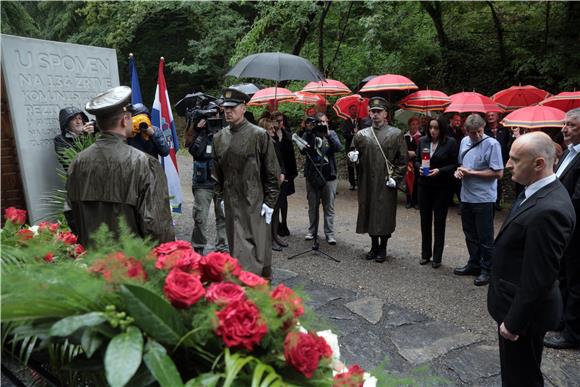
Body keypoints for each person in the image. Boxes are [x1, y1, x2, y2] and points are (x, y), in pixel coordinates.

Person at [487, 132, 575, 386]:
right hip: (515, 305)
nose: (507, 164)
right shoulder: (535, 190)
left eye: (515, 159)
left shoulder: (549, 210)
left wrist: (514, 323)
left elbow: (540, 277)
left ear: (539, 163)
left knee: (521, 378)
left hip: (524, 317)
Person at [66, 86, 175, 247]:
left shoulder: (78, 161)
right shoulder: (145, 163)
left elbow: (71, 212)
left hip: (94, 262)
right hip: (133, 264)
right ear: (125, 120)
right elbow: (157, 227)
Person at [212, 88, 280, 278]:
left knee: (258, 251)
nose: (227, 111)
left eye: (232, 107)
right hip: (232, 202)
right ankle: (243, 295)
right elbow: (216, 174)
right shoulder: (219, 138)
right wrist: (220, 199)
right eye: (225, 107)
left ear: (243, 108)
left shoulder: (259, 135)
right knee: (237, 251)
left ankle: (257, 292)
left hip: (255, 202)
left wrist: (270, 202)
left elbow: (272, 171)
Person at [350, 97, 407, 262]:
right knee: (369, 212)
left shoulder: (396, 134)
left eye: (378, 112)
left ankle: (383, 247)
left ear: (385, 114)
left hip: (385, 181)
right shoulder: (361, 134)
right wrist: (353, 157)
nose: (374, 115)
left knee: (384, 214)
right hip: (367, 181)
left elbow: (402, 160)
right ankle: (374, 244)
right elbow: (353, 155)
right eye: (372, 111)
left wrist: (396, 178)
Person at [453, 113, 504, 286]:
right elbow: (462, 164)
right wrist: (459, 171)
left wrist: (472, 173)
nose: (477, 136)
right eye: (473, 132)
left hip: (484, 197)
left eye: (480, 131)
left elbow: (498, 173)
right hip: (466, 196)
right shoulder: (464, 142)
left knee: (485, 236)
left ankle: (487, 270)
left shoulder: (492, 144)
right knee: (470, 234)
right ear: (466, 131)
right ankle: (473, 264)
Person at [544, 108, 580, 350]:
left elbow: (577, 198)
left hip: (575, 228)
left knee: (577, 281)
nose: (564, 129)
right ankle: (564, 320)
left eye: (571, 125)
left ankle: (574, 333)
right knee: (564, 276)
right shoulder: (569, 152)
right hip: (565, 228)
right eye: (564, 124)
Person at [416, 117, 458, 268]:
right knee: (425, 221)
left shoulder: (450, 143)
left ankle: (437, 257)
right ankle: (425, 254)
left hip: (442, 187)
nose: (433, 131)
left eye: (436, 128)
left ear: (442, 129)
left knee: (439, 221)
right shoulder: (422, 141)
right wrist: (419, 166)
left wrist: (440, 171)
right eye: (431, 128)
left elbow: (455, 164)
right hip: (424, 186)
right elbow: (416, 159)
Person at [186, 112, 228, 255]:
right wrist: (201, 131)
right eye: (211, 117)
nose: (213, 120)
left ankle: (222, 246)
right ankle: (198, 247)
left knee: (223, 216)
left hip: (221, 181)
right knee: (200, 217)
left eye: (216, 116)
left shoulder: (225, 130)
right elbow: (195, 152)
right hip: (203, 182)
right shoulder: (197, 132)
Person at [301, 112, 342, 245]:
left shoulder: (332, 134)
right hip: (312, 175)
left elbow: (338, 148)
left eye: (324, 122)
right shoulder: (309, 134)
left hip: (329, 175)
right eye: (319, 123)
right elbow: (302, 150)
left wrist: (328, 135)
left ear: (327, 122)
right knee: (313, 205)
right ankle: (312, 231)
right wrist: (308, 132)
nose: (322, 125)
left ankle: (329, 234)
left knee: (328, 206)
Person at [259, 117, 288, 251]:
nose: (273, 131)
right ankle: (268, 239)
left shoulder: (274, 143)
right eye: (270, 129)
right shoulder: (260, 144)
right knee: (268, 211)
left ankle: (275, 235)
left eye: (274, 128)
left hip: (278, 180)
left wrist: (282, 173)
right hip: (266, 182)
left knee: (276, 209)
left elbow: (281, 160)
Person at [271, 111, 297, 237]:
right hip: (275, 171)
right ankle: (275, 227)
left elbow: (291, 154)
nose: (280, 123)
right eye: (277, 120)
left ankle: (284, 223)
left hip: (286, 170)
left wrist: (291, 172)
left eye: (281, 120)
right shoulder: (270, 135)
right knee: (276, 199)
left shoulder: (286, 134)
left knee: (284, 199)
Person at [485, 111, 508, 211]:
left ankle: (497, 202)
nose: (490, 117)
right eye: (488, 116)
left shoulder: (503, 129)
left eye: (492, 115)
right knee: (490, 179)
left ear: (497, 116)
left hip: (501, 158)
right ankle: (489, 201)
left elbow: (507, 143)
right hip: (488, 159)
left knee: (499, 180)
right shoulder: (485, 130)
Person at [341, 104, 360, 190]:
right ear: (349, 111)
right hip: (349, 147)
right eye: (352, 110)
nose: (354, 111)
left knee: (359, 165)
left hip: (359, 146)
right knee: (350, 165)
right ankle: (352, 183)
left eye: (355, 110)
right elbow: (345, 134)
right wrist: (352, 133)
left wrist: (359, 133)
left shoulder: (360, 121)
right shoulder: (346, 122)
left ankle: (360, 182)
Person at [404, 116, 421, 209]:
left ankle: (416, 201)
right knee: (407, 181)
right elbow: (401, 148)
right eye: (412, 124)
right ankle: (408, 200)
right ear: (409, 125)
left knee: (416, 182)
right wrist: (407, 153)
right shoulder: (405, 136)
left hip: (416, 163)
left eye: (416, 124)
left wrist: (415, 153)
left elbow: (423, 150)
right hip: (407, 163)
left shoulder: (421, 137)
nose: (414, 126)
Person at [448, 113, 465, 206]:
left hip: (458, 159)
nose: (458, 122)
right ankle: (449, 200)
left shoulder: (459, 131)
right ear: (451, 120)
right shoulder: (447, 131)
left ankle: (461, 202)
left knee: (458, 181)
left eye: (459, 120)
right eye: (456, 120)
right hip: (449, 159)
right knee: (450, 181)